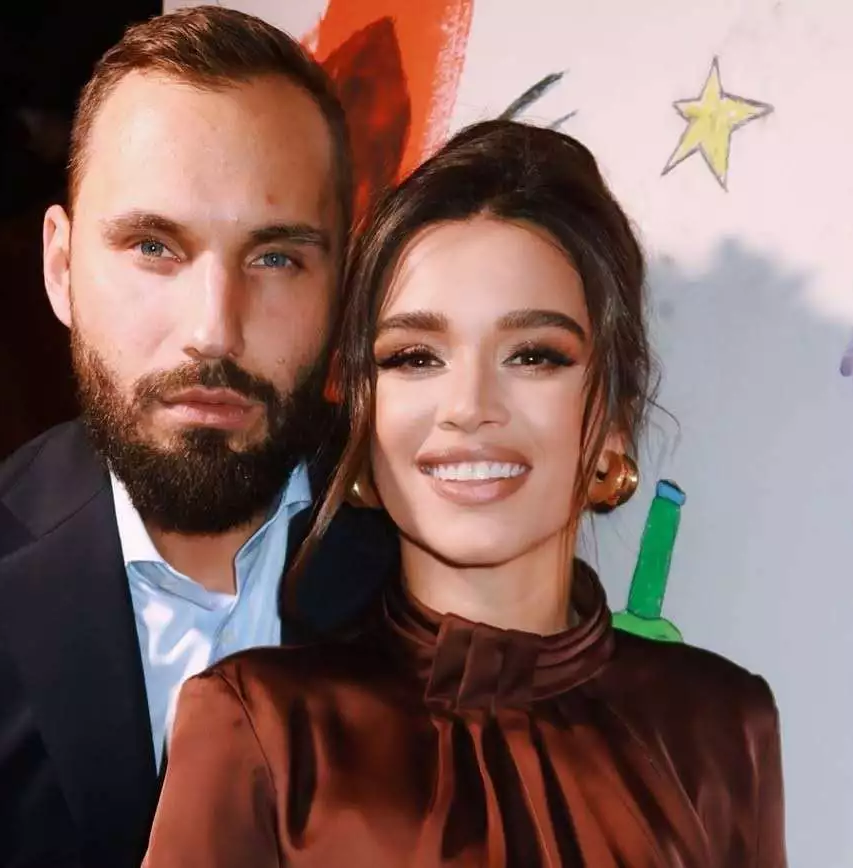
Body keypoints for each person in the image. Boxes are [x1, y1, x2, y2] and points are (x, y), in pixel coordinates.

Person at [0, 8, 397, 868]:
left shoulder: (429, 546)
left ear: (343, 281)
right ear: (61, 267)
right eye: (153, 246)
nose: (213, 332)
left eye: (276, 258)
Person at [144, 120, 788, 868]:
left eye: (534, 355)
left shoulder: (721, 726)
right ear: (365, 414)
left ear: (612, 419)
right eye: (416, 357)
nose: (469, 406)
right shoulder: (259, 729)